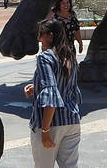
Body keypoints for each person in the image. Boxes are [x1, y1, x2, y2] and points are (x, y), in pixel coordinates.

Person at [24, 18, 82, 168]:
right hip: (72, 120)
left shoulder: (45, 57)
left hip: (52, 123)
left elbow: (52, 95)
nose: (38, 38)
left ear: (50, 36)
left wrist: (45, 130)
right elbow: (67, 87)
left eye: (40, 34)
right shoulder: (69, 56)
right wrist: (36, 86)